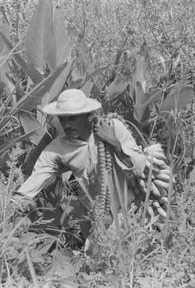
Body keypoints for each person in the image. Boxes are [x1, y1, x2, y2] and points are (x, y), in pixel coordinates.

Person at [10, 89, 150, 240]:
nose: (67, 125)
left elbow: (140, 167)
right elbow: (33, 181)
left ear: (88, 117)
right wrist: (9, 207)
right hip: (93, 213)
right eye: (63, 119)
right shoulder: (58, 149)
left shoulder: (113, 128)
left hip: (128, 207)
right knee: (95, 256)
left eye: (72, 119)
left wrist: (114, 143)